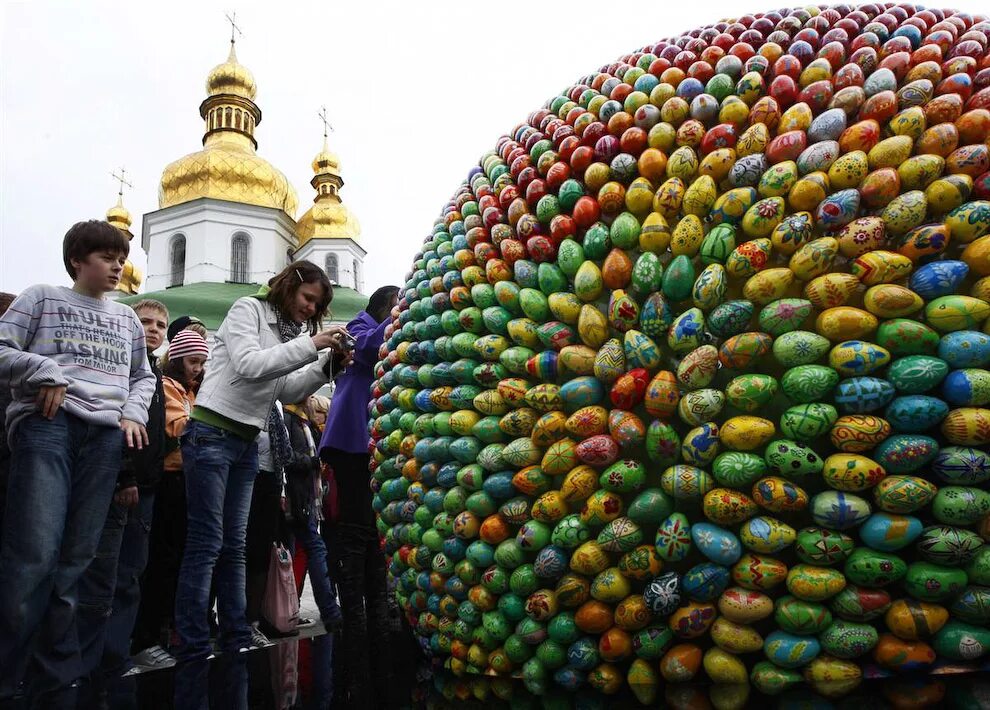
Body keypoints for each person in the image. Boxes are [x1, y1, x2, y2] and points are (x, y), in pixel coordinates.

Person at [0, 220, 156, 703]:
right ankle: (9, 674)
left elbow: (142, 378)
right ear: (77, 261)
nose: (117, 266)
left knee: (76, 562)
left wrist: (130, 412)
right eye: (107, 257)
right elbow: (3, 348)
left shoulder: (128, 319)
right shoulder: (43, 297)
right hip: (50, 426)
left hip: (105, 439)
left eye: (121, 258)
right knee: (34, 556)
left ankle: (54, 674)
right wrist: (44, 368)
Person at [174, 260, 350, 662]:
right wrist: (314, 345)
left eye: (316, 305)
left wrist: (327, 367)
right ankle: (193, 638)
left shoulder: (287, 332)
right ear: (291, 286)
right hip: (212, 433)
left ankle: (236, 632)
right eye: (308, 299)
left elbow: (284, 387)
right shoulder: (246, 310)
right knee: (206, 542)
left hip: (245, 441)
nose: (310, 309)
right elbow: (251, 366)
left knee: (235, 544)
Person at [73, 299, 168, 697]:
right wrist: (125, 474)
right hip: (118, 483)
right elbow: (118, 421)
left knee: (130, 575)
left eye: (160, 325)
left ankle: (115, 656)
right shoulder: (122, 366)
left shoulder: (153, 373)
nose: (153, 329)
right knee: (101, 577)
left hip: (145, 486)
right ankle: (89, 663)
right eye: (145, 321)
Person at [319, 285, 399, 708]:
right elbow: (367, 349)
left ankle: (375, 605)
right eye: (396, 304)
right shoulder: (359, 325)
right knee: (352, 524)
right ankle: (353, 610)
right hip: (352, 436)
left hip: (373, 438)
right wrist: (400, 315)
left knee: (370, 526)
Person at [132, 328, 210, 669]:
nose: (198, 368)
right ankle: (147, 637)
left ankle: (175, 629)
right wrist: (207, 421)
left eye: (203, 363)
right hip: (169, 479)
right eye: (193, 361)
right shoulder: (167, 386)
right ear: (176, 359)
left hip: (190, 479)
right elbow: (177, 427)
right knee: (162, 560)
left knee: (181, 559)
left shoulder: (193, 390)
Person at [283, 397, 342, 628]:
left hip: (305, 498)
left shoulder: (302, 423)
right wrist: (312, 461)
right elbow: (287, 456)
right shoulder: (290, 420)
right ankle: (327, 610)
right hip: (296, 498)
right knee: (310, 548)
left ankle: (292, 610)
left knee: (303, 550)